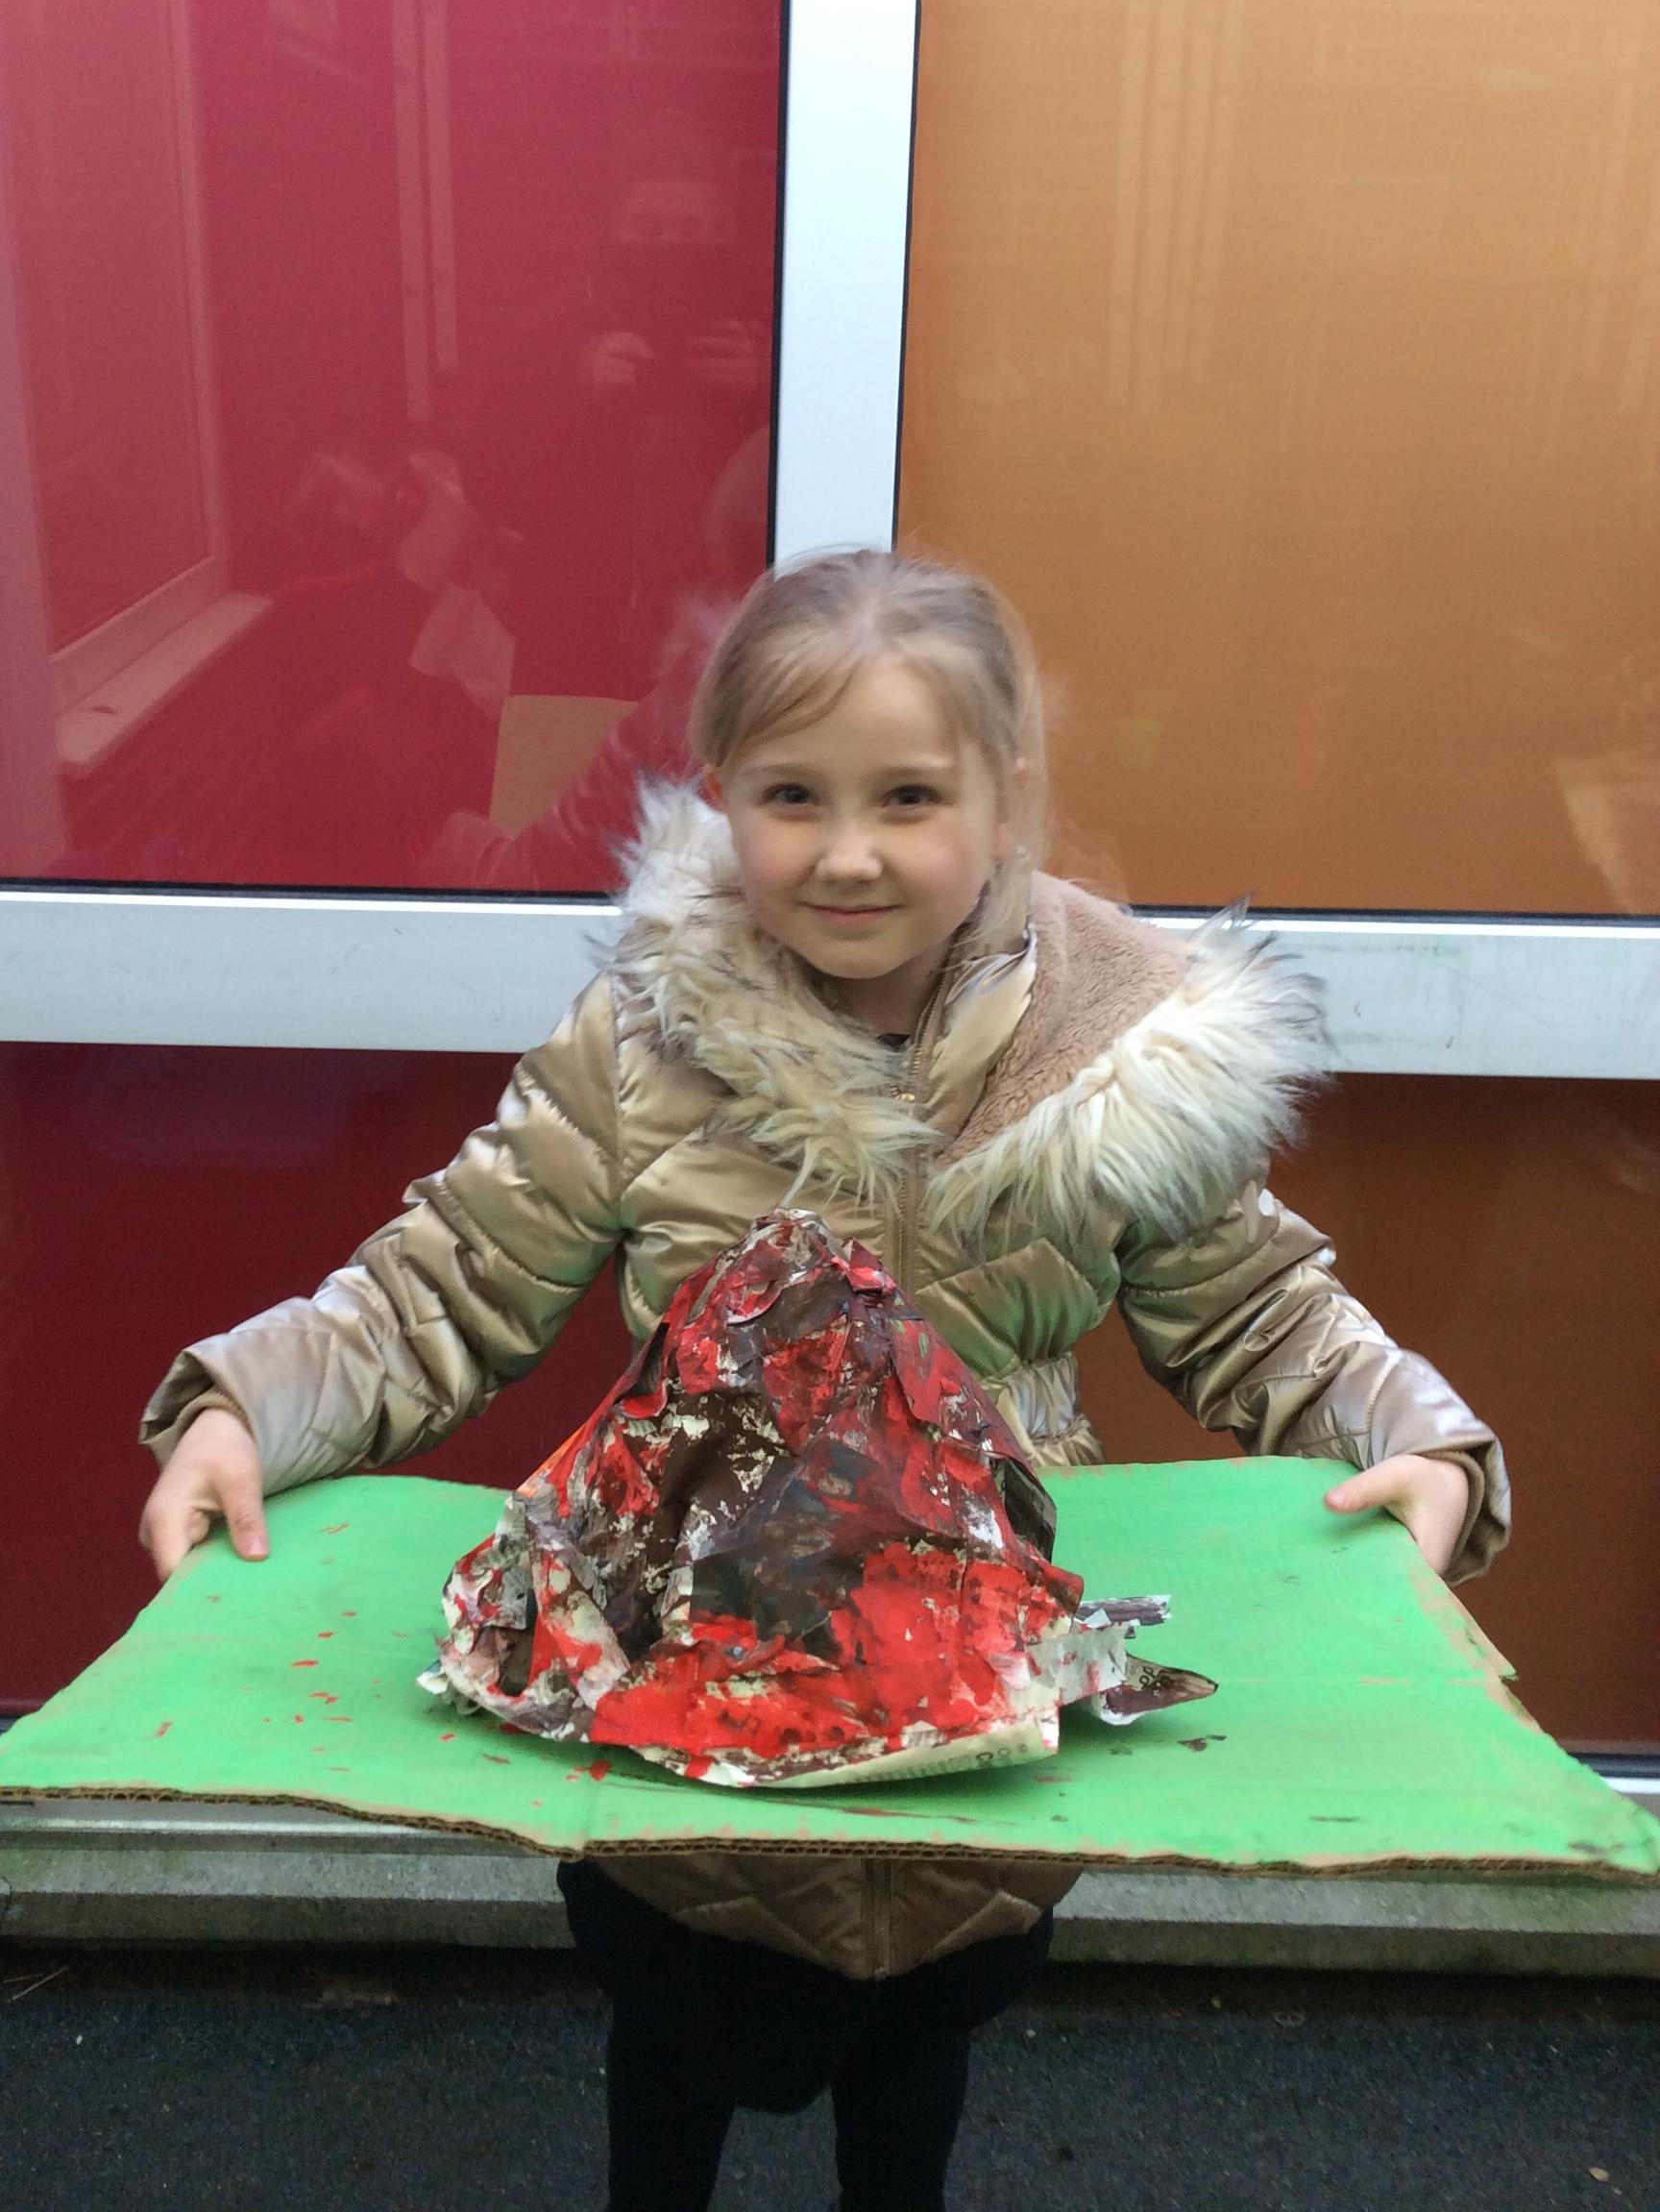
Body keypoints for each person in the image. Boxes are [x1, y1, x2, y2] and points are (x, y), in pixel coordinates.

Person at [137, 548, 1508, 2212]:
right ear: (722, 794)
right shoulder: (641, 1046)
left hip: (975, 1694)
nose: (847, 852)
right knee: (673, 2045)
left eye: (908, 796)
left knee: (922, 2053)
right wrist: (243, 1408)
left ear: (1004, 801)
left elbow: (1261, 1313)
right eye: (794, 795)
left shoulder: (1121, 1061)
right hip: (684, 1683)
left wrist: (1417, 1438)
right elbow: (443, 1286)